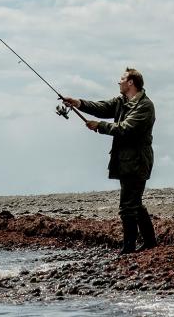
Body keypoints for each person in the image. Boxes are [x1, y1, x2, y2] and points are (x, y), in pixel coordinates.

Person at [64, 67, 157, 254]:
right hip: (125, 160)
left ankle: (128, 248)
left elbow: (126, 128)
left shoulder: (145, 106)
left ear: (131, 82)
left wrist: (100, 126)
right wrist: (78, 103)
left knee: (127, 207)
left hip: (137, 161)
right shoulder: (121, 101)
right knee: (134, 203)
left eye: (122, 79)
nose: (119, 82)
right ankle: (150, 242)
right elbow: (102, 107)